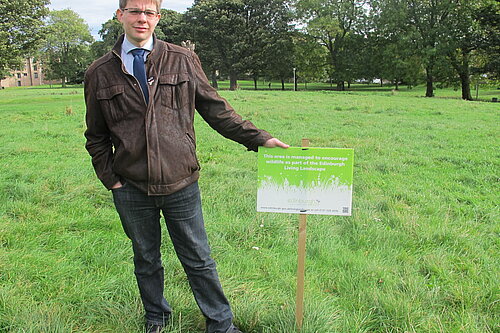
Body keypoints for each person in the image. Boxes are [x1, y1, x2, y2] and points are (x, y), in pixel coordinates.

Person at [83, 1, 289, 332]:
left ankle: (221, 324)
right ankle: (156, 318)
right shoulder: (99, 72)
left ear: (158, 18)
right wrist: (112, 181)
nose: (142, 18)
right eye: (135, 11)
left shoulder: (181, 58)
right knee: (146, 260)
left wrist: (259, 138)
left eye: (149, 12)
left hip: (182, 183)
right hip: (131, 187)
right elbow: (95, 135)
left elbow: (216, 110)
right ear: (120, 15)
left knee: (199, 259)